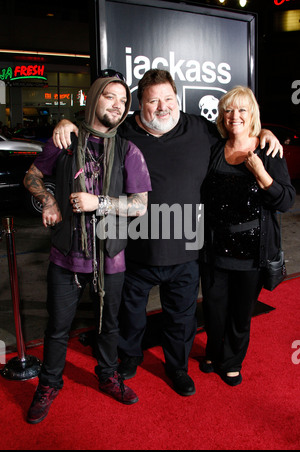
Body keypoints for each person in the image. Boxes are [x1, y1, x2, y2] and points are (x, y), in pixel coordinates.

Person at [52, 69, 282, 397]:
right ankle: (129, 358)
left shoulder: (201, 130)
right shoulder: (124, 130)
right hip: (134, 250)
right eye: (153, 101)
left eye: (169, 99)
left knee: (181, 318)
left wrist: (266, 133)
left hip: (187, 249)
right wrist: (66, 124)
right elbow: (92, 128)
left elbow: (239, 133)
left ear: (178, 99)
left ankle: (177, 367)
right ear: (139, 106)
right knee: (130, 315)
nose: (163, 107)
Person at [23, 70, 152, 424]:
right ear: (95, 97)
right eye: (111, 96)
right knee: (57, 327)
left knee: (110, 326)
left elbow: (140, 205)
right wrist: (49, 201)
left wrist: (102, 204)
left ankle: (108, 375)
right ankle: (49, 383)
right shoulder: (66, 140)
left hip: (110, 255)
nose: (118, 105)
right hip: (66, 256)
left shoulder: (129, 150)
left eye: (124, 101)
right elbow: (31, 176)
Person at [199, 86, 295, 386]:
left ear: (251, 114)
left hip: (252, 253)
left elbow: (286, 201)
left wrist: (262, 174)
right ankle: (214, 352)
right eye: (228, 110)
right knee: (214, 311)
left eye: (241, 110)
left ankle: (232, 361)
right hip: (214, 249)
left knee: (240, 314)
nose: (234, 116)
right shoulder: (215, 147)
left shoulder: (267, 151)